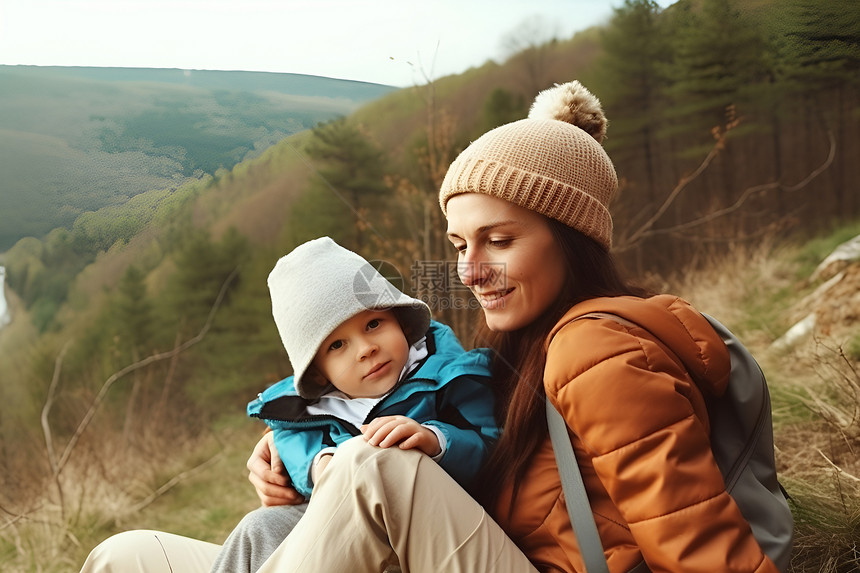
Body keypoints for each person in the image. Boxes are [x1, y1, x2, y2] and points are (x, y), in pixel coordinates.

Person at [248, 80, 782, 572]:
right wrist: (302, 464)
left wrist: (357, 470)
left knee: (376, 468)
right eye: (460, 246)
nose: (469, 271)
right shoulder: (525, 348)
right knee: (219, 539)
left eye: (499, 241)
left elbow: (699, 546)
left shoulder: (597, 353)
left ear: (571, 237)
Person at [78, 237, 499, 573]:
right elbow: (298, 457)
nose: (367, 349)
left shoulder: (451, 376)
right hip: (340, 539)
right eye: (337, 345)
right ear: (318, 374)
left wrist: (437, 440)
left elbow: (493, 448)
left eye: (374, 324)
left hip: (426, 538)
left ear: (401, 321)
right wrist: (321, 468)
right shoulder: (308, 413)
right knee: (252, 528)